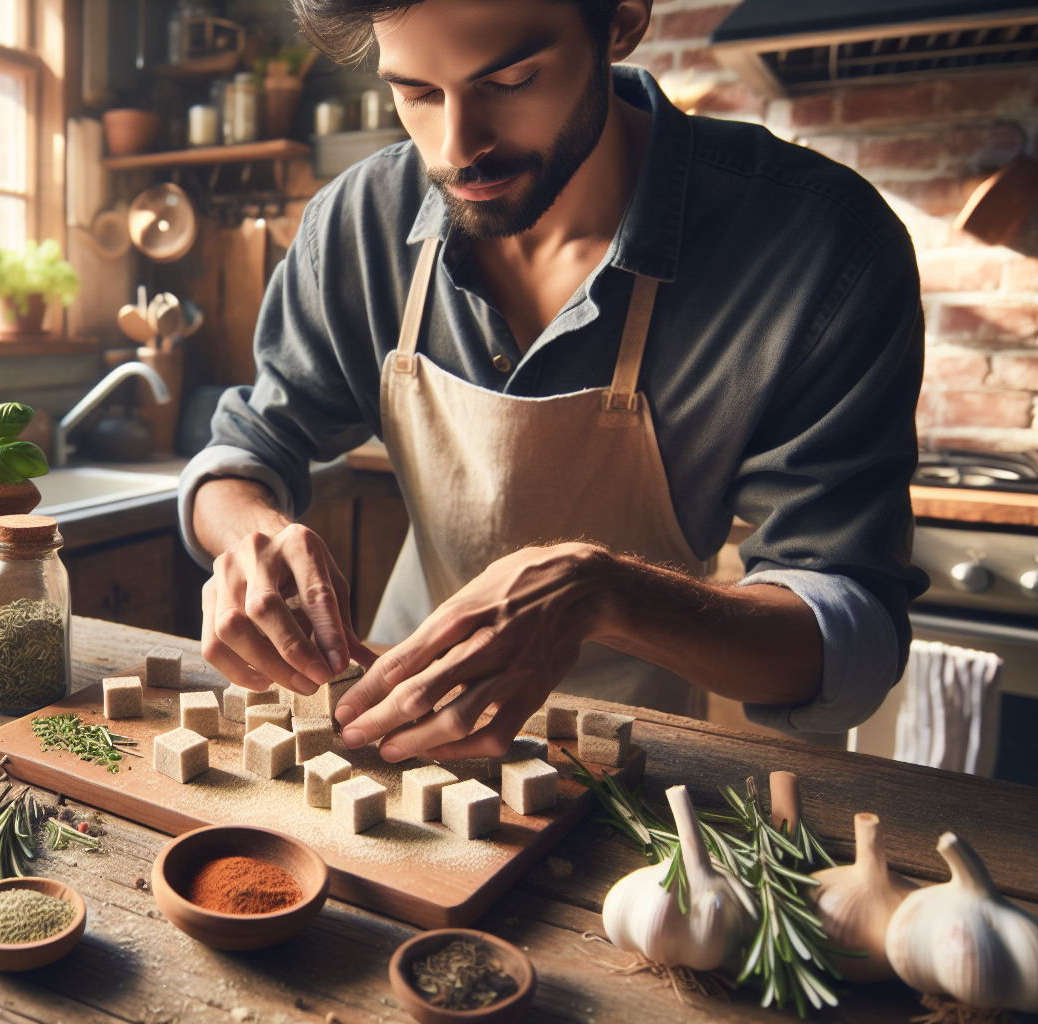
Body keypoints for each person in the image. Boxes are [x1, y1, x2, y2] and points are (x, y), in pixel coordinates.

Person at [180, 0, 929, 763]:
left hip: (630, 762)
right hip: (397, 730)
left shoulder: (822, 247)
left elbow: (853, 644)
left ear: (621, 22)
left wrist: (598, 590)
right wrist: (251, 535)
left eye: (511, 80)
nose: (456, 148)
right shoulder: (355, 223)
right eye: (416, 93)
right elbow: (245, 450)